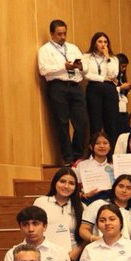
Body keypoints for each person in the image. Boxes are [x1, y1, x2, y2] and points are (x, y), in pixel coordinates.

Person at [39, 20, 89, 165]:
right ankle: (67, 158)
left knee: (82, 122)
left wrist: (80, 66)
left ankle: (77, 156)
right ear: (52, 34)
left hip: (75, 85)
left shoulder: (72, 48)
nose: (62, 37)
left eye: (64, 33)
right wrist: (64, 66)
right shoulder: (45, 50)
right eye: (59, 34)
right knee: (62, 122)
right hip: (57, 86)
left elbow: (86, 67)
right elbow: (43, 69)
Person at [33, 167, 83, 257]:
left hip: (72, 255)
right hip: (46, 254)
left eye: (71, 183)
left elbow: (86, 234)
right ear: (55, 182)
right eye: (62, 181)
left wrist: (76, 252)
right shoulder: (41, 202)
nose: (66, 186)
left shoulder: (81, 207)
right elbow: (34, 228)